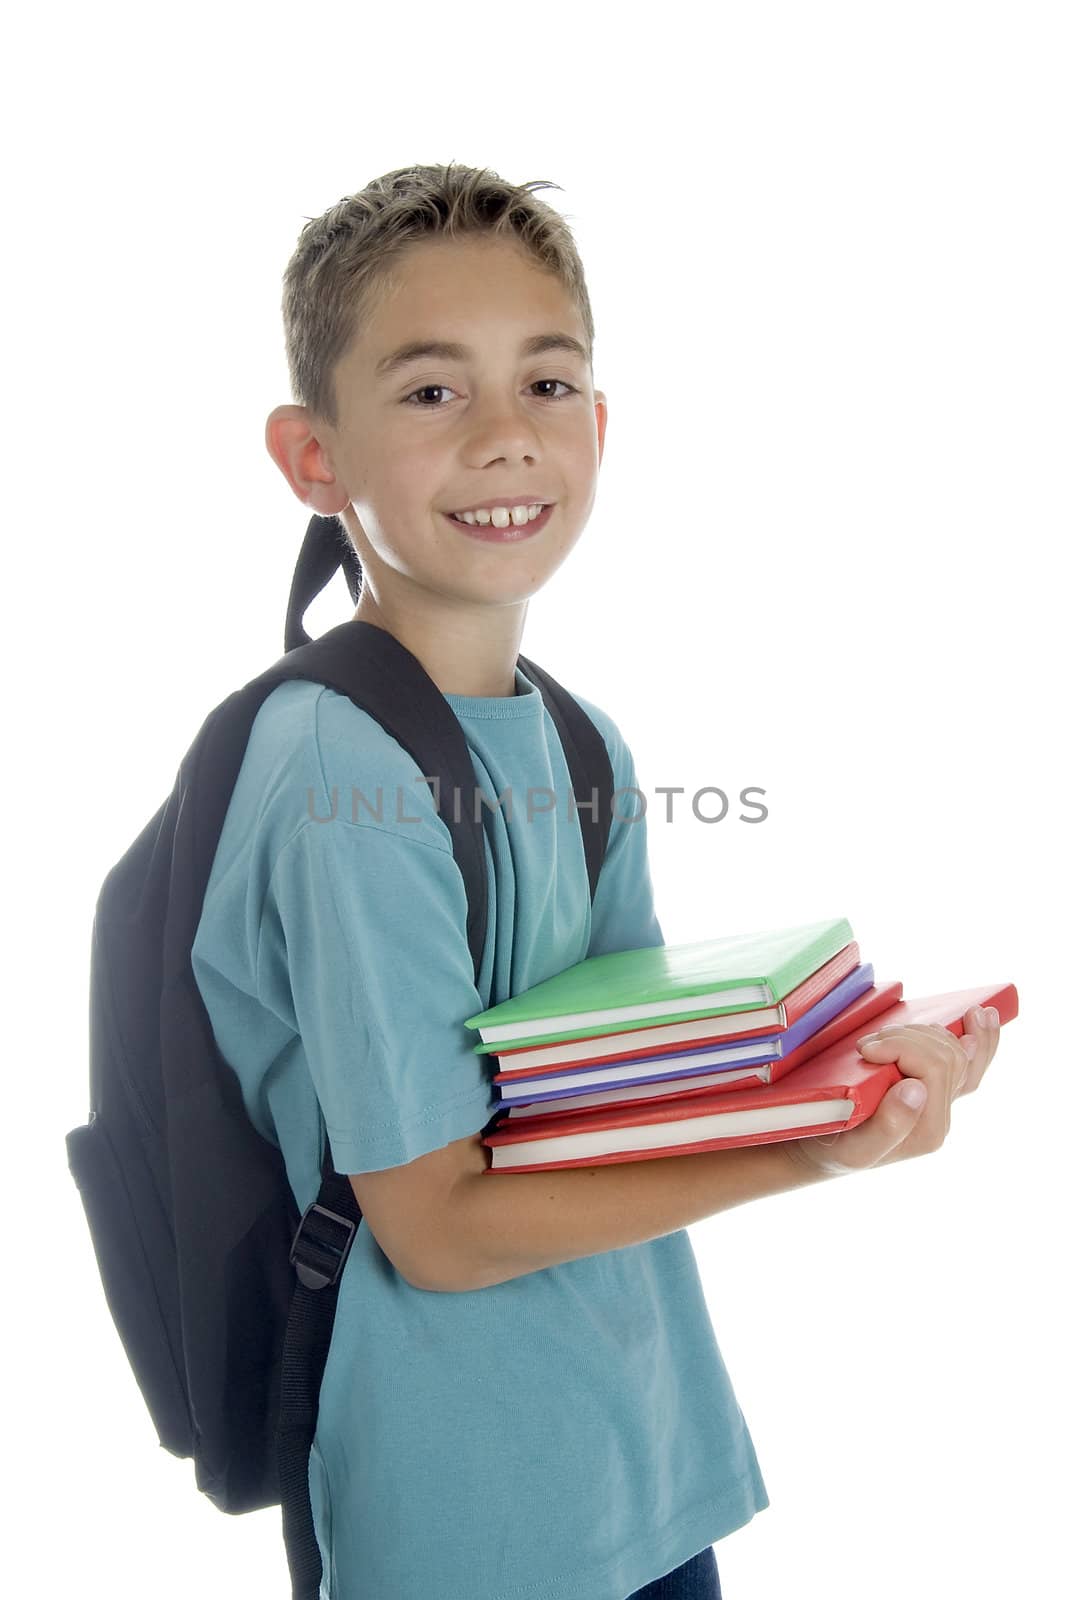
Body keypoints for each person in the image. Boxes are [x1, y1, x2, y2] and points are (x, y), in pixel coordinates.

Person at [190, 162, 1001, 1600]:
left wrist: (835, 1074)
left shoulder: (576, 738)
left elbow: (620, 1097)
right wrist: (810, 1154)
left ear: (602, 427)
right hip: (468, 1519)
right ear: (316, 458)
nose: (507, 437)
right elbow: (434, 1230)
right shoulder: (339, 772)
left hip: (638, 1456)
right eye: (434, 393)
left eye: (548, 385)